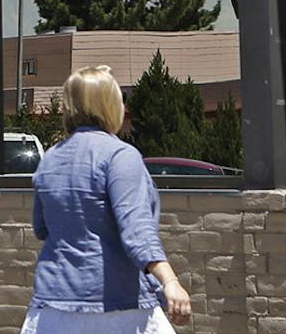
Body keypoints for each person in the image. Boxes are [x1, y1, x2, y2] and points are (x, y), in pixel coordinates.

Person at [23, 66, 191, 334]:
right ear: (110, 105)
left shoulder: (51, 158)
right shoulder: (121, 156)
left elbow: (42, 228)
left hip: (52, 305)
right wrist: (169, 281)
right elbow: (137, 231)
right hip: (117, 306)